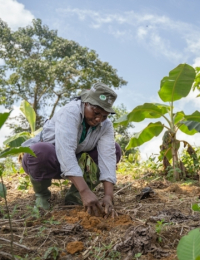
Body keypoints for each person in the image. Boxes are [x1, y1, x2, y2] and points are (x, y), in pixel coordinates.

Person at [21, 82, 122, 217]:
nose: (99, 119)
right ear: (86, 103)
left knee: (115, 149)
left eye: (104, 116)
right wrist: (85, 191)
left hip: (77, 163)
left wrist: (108, 196)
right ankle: (42, 196)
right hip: (50, 162)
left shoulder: (105, 126)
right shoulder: (70, 112)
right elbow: (65, 152)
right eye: (96, 112)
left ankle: (74, 195)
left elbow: (108, 157)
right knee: (40, 151)